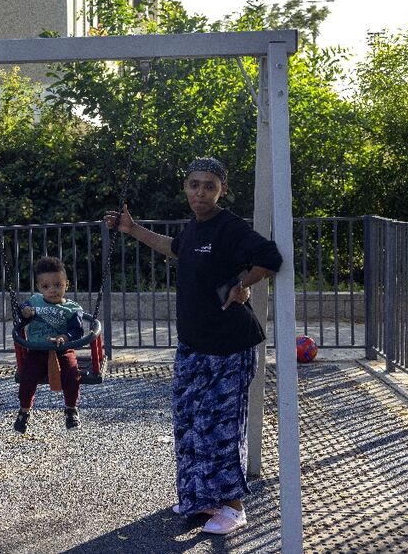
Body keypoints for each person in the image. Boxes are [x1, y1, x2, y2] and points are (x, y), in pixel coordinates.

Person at [104, 157, 282, 535]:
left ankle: (233, 509)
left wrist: (243, 282)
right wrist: (132, 229)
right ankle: (202, 497)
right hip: (193, 345)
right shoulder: (195, 227)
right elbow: (176, 248)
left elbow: (270, 257)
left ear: (222, 190)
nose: (200, 192)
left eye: (209, 186)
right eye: (194, 185)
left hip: (228, 348)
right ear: (186, 187)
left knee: (220, 428)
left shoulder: (230, 227)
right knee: (188, 424)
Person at [14, 256, 85, 433]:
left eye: (57, 285)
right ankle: (24, 411)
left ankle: (71, 409)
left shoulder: (72, 309)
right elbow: (21, 310)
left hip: (62, 350)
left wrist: (65, 336)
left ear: (66, 285)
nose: (52, 290)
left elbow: (77, 331)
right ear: (39, 287)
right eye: (46, 287)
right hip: (37, 351)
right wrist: (25, 312)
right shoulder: (34, 301)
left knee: (72, 374)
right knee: (27, 377)